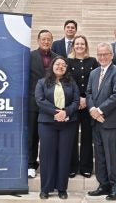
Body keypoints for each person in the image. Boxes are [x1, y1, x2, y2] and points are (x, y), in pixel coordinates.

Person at [35, 56, 80, 199]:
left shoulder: (72, 83)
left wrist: (66, 112)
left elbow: (76, 100)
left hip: (68, 124)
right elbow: (40, 100)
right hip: (47, 123)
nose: (60, 66)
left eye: (63, 65)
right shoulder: (42, 82)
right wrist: (56, 113)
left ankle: (62, 188)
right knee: (47, 156)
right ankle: (45, 189)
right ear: (52, 66)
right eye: (58, 64)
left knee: (64, 156)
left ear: (66, 69)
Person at [86, 42, 116, 200]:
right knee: (100, 155)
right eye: (100, 54)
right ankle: (103, 185)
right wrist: (92, 111)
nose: (102, 57)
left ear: (111, 55)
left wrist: (100, 110)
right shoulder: (94, 73)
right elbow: (88, 93)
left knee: (113, 156)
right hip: (96, 121)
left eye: (105, 54)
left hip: (112, 122)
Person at [67, 35, 98, 178]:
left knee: (87, 136)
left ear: (86, 46)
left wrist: (86, 98)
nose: (79, 46)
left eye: (82, 44)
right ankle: (72, 166)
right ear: (73, 46)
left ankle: (86, 167)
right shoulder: (67, 61)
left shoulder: (92, 61)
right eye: (77, 44)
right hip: (73, 104)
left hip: (89, 104)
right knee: (72, 136)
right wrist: (78, 98)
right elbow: (67, 81)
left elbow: (97, 81)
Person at [28, 30, 57, 178]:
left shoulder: (58, 58)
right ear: (38, 40)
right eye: (43, 39)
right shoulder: (30, 56)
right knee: (32, 135)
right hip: (33, 103)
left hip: (51, 105)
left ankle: (48, 165)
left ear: (52, 41)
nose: (46, 42)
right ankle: (31, 165)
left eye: (48, 39)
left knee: (49, 137)